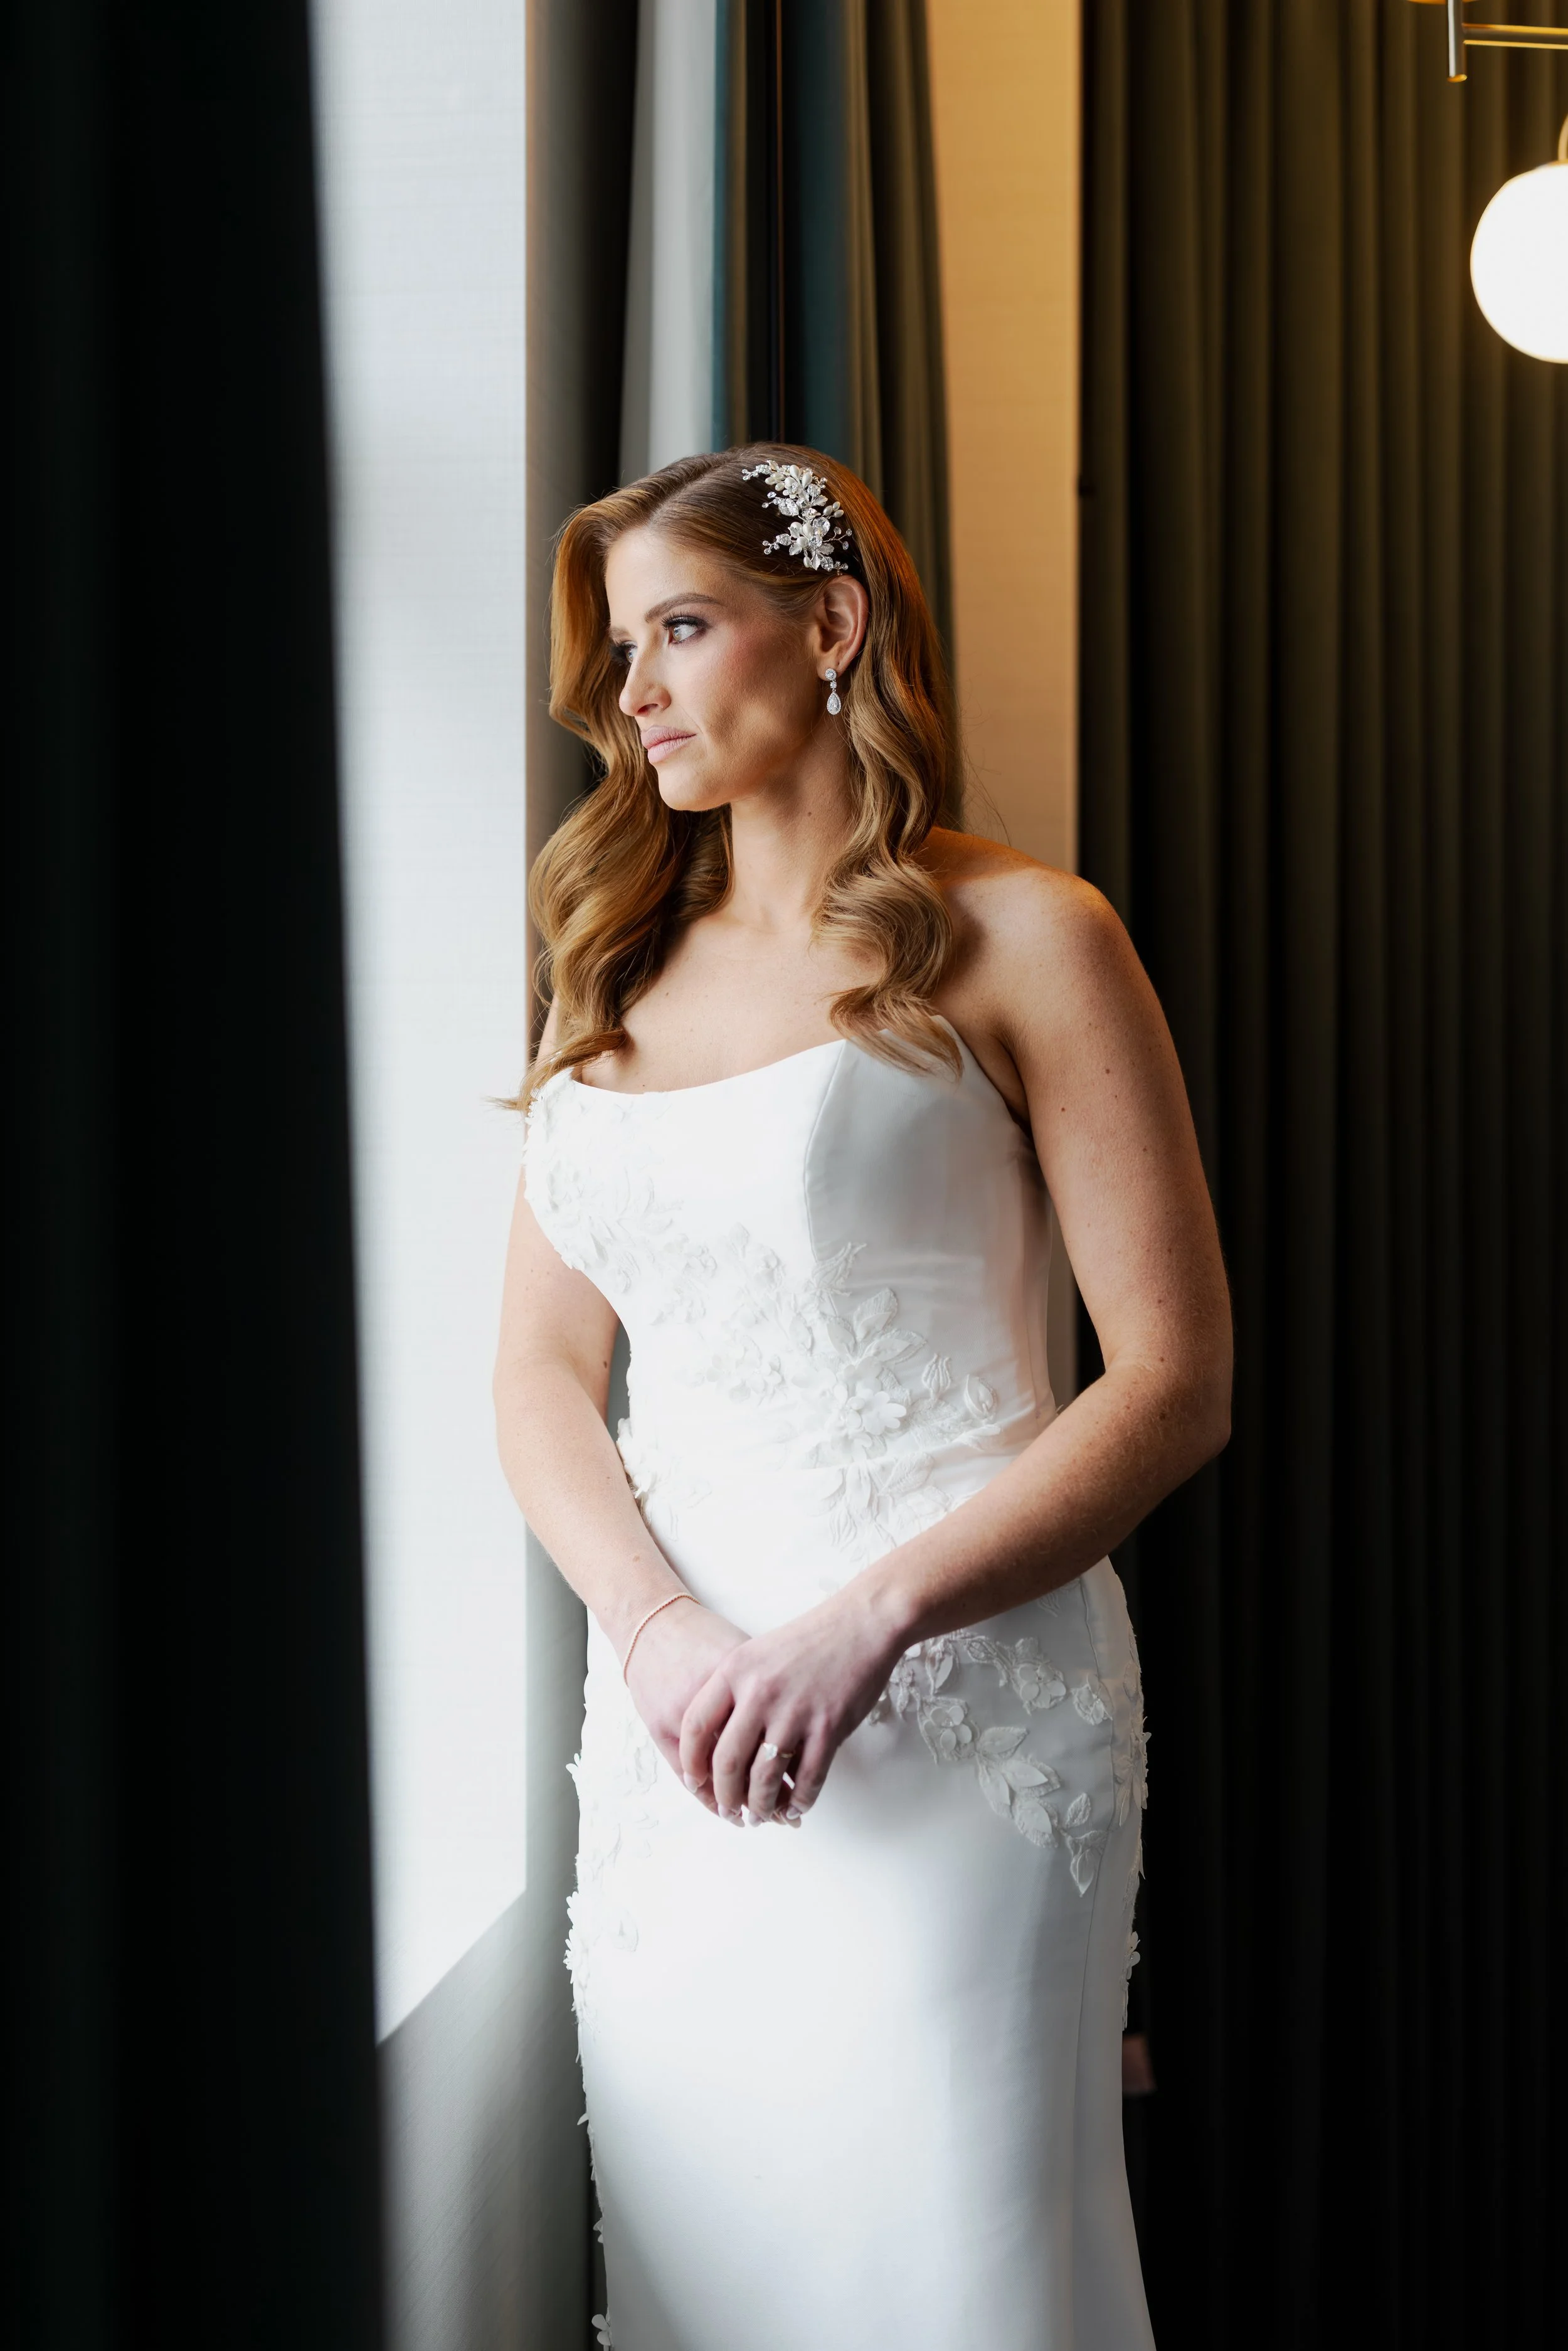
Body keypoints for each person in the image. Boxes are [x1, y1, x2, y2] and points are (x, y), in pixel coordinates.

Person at [494, 446, 1231, 2350]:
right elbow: (539, 1378)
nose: (632, 689)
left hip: (956, 1717)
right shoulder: (609, 968)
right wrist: (657, 1635)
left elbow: (1169, 1380)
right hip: (677, 1755)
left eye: (678, 627)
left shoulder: (1025, 936)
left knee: (957, 2271)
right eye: (620, 647)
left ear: (828, 628)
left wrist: (867, 1622)